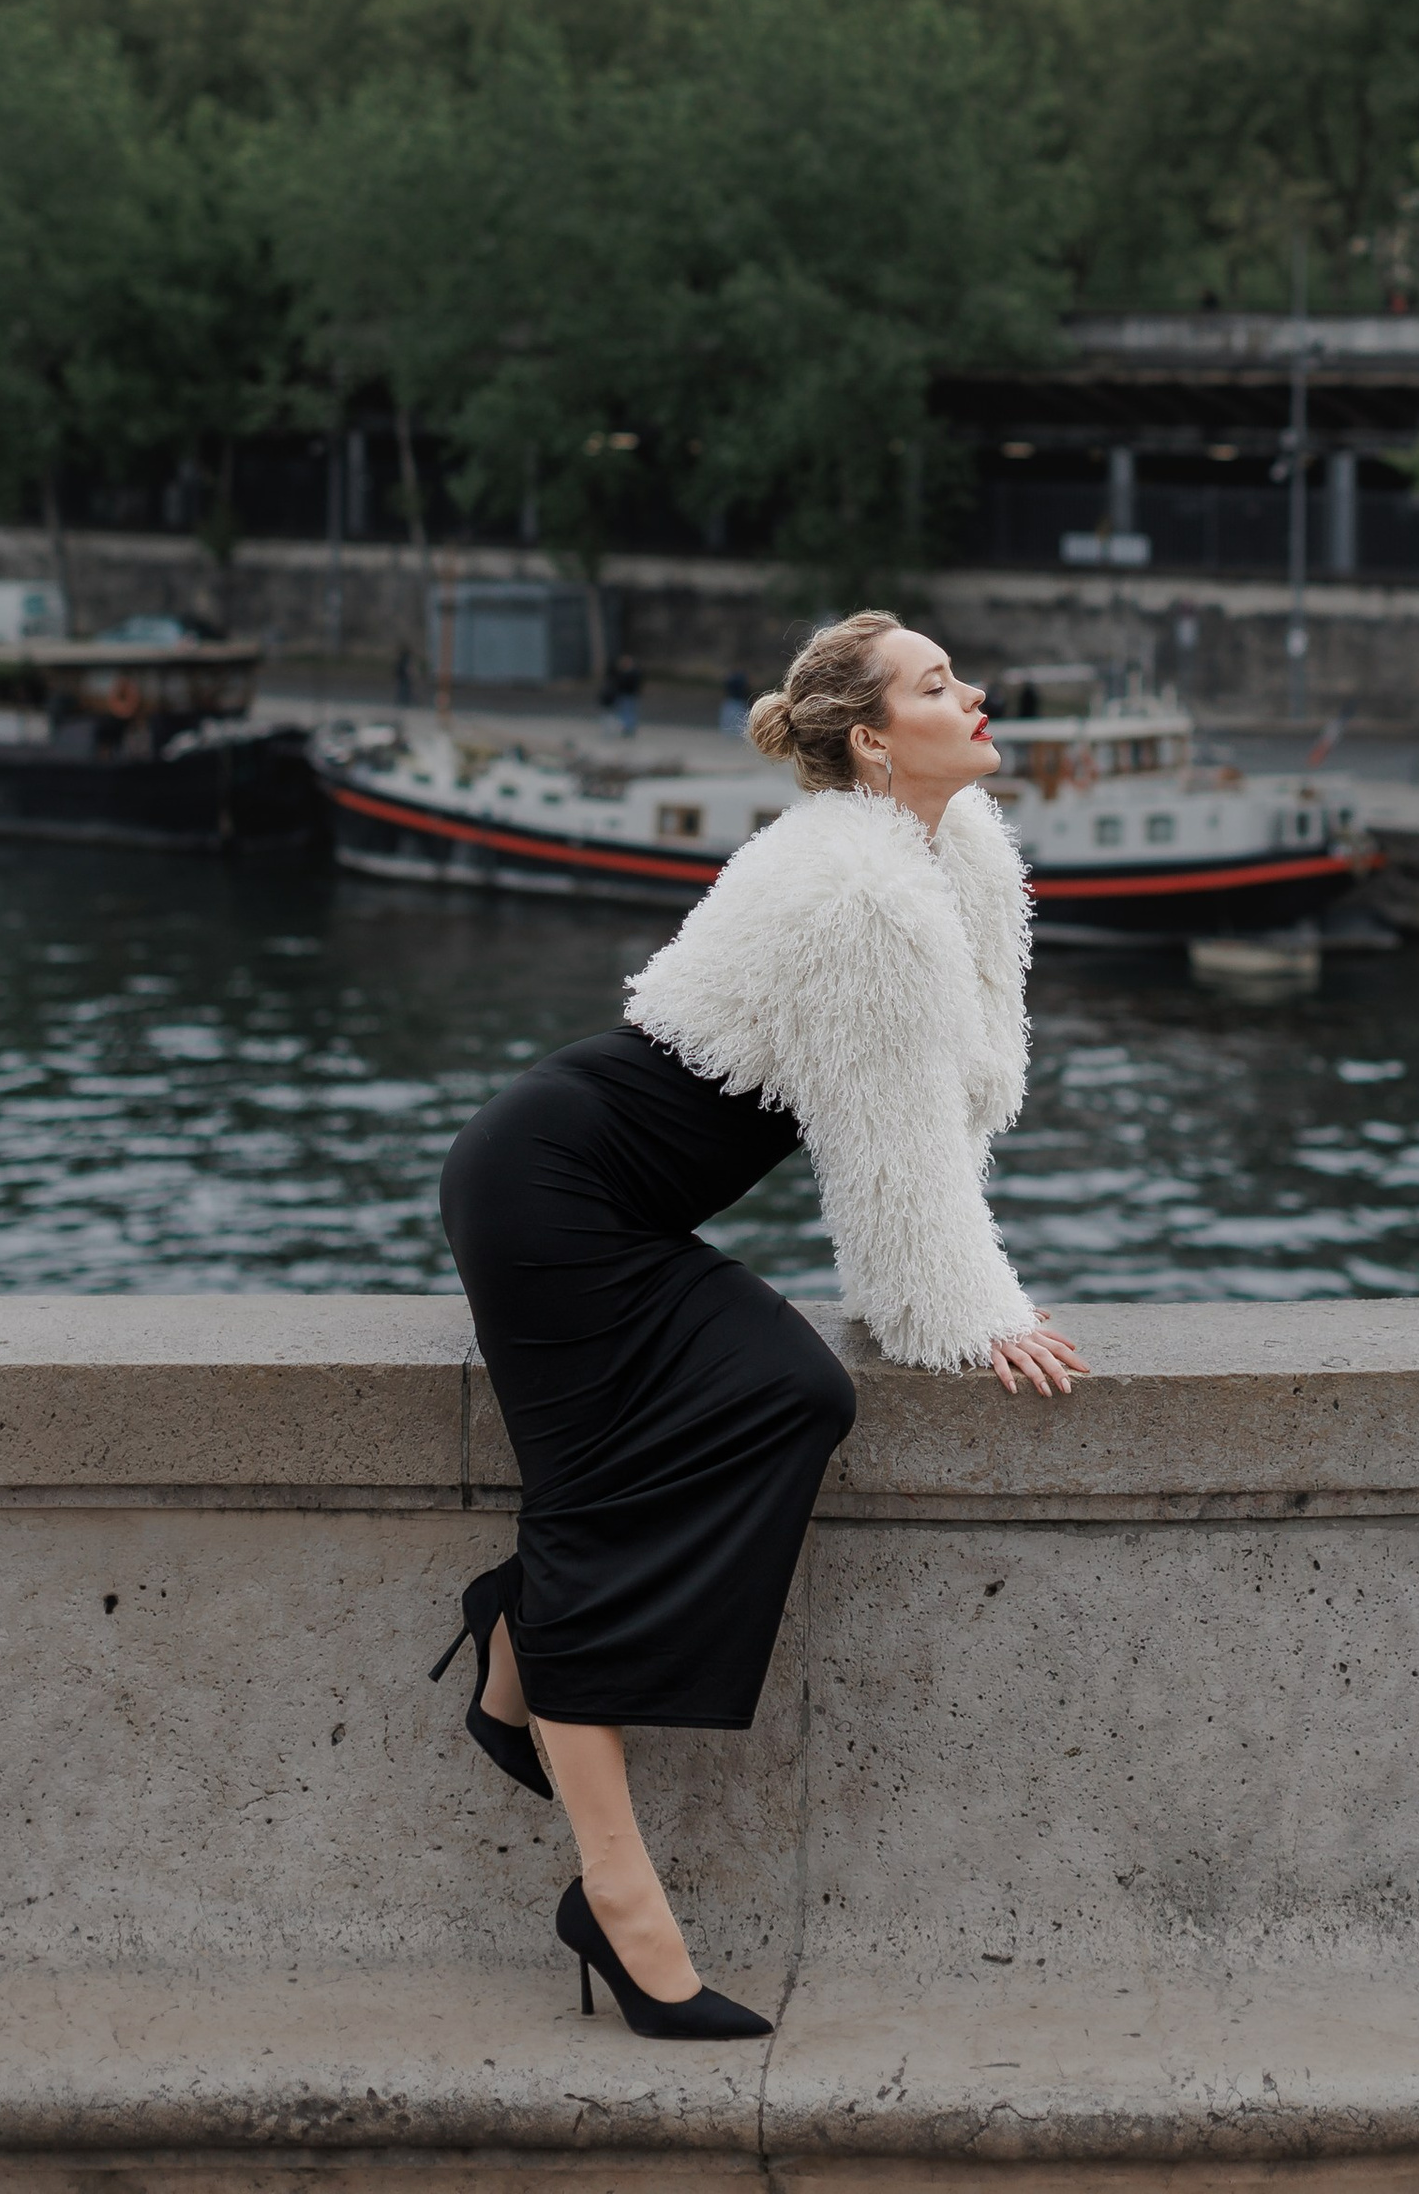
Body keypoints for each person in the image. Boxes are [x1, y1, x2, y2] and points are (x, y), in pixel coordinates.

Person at [434, 609, 1086, 2042]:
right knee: (595, 1503)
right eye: (936, 683)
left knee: (793, 1393)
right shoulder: (856, 890)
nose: (974, 692)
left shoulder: (942, 863)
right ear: (872, 739)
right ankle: (618, 1900)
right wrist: (976, 1313)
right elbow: (890, 1154)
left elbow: (933, 1119)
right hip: (548, 1190)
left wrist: (981, 1291)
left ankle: (516, 1654)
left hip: (611, 1202)